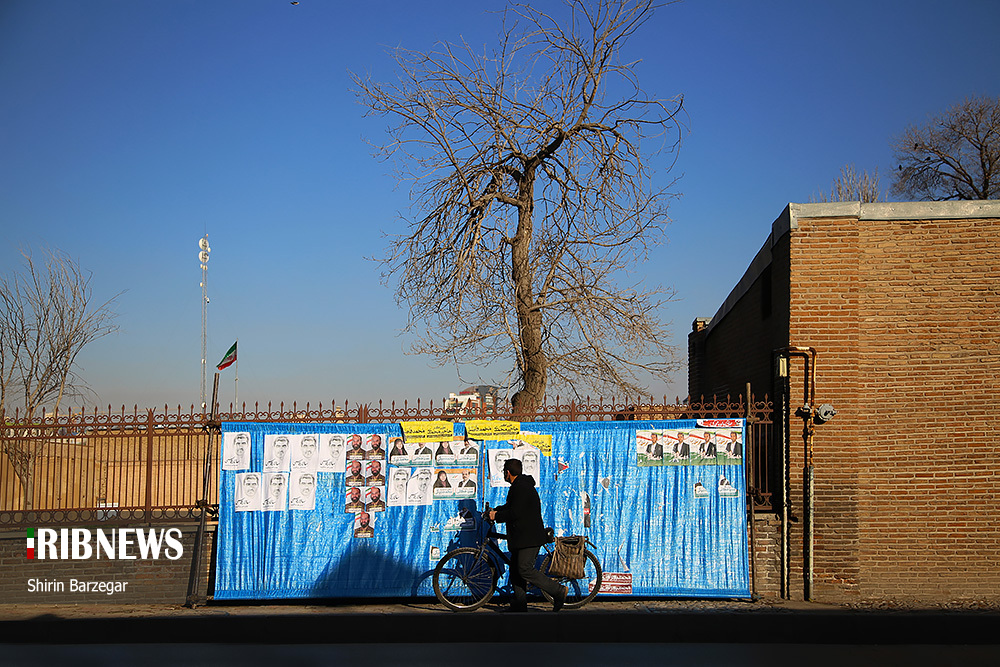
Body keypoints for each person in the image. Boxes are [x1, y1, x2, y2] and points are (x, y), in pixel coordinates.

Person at [489, 458, 567, 612]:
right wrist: (496, 510)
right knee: (515, 569)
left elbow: (515, 512)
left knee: (524, 569)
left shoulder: (521, 488)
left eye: (504, 471)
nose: (504, 474)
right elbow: (511, 507)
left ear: (508, 472)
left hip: (528, 538)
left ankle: (558, 590)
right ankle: (520, 603)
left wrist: (497, 516)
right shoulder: (519, 486)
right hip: (521, 537)